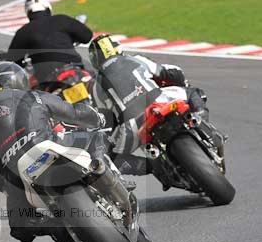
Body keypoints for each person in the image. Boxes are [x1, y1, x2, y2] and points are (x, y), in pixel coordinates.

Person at [0, 61, 106, 242]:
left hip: (16, 176)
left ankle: (59, 229)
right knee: (97, 135)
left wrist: (10, 187)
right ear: (19, 81)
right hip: (48, 147)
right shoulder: (33, 96)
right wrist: (97, 117)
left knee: (20, 227)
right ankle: (100, 168)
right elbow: (73, 113)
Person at [87, 34, 207, 175]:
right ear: (117, 48)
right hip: (160, 101)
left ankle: (156, 167)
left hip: (131, 126)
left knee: (113, 160)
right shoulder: (135, 59)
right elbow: (168, 72)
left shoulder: (95, 86)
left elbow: (105, 120)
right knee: (194, 92)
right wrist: (180, 81)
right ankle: (199, 119)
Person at [5, 0, 93, 88]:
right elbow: (87, 36)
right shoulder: (62, 19)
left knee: (31, 94)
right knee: (94, 76)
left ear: (28, 12)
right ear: (47, 7)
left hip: (47, 79)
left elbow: (12, 60)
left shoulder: (24, 31)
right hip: (75, 67)